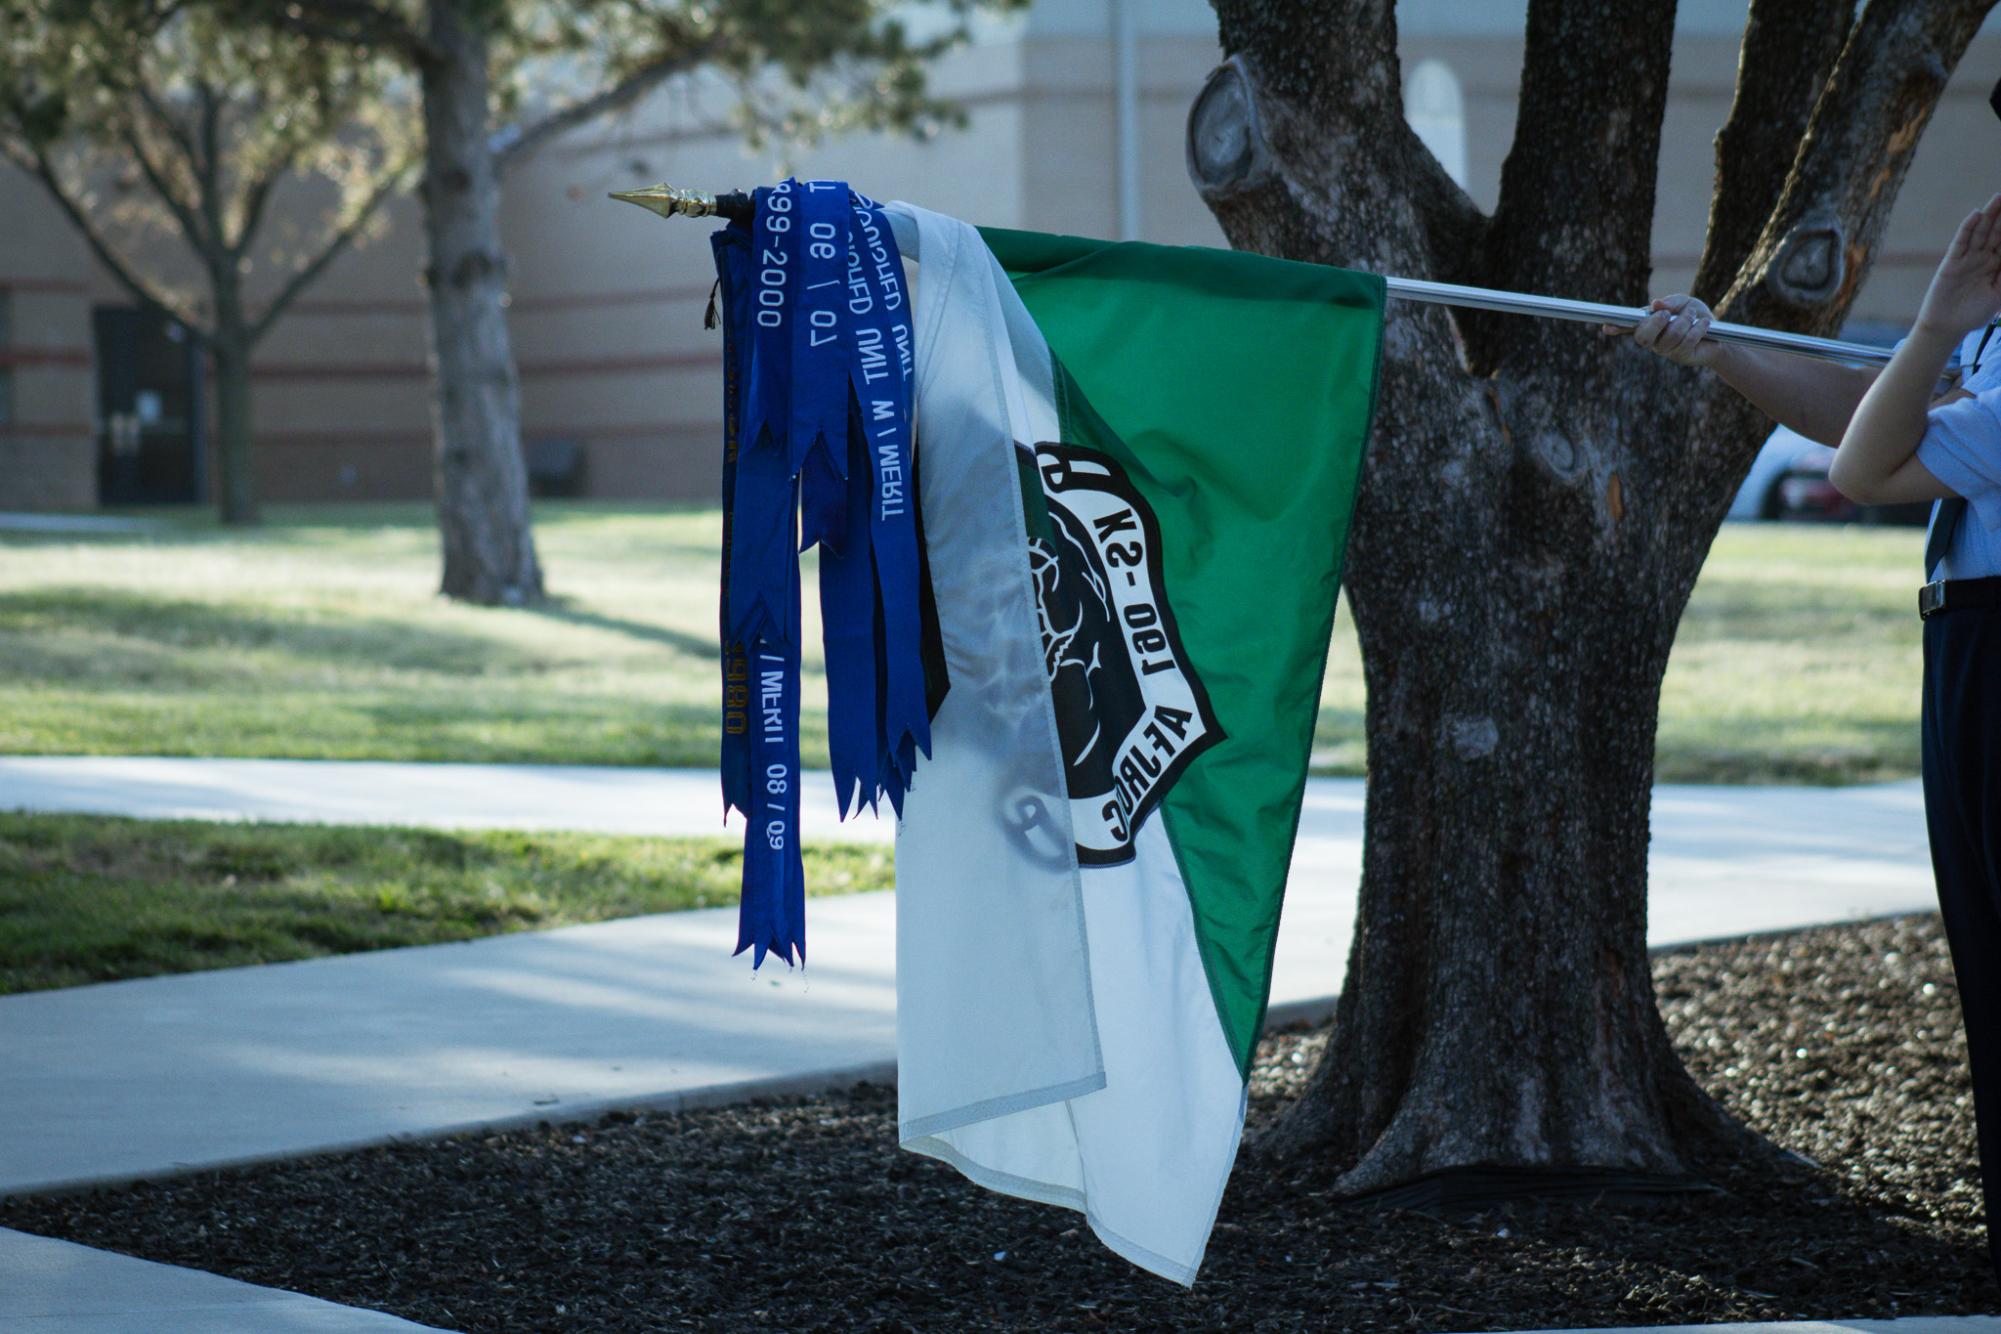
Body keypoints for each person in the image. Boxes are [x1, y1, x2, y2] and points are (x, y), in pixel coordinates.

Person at [1618, 191, 2001, 1280]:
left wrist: (1934, 325)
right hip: (1970, 643)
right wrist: (1722, 349)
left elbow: (1867, 466)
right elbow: (1875, 411)